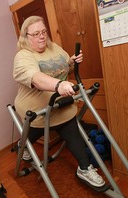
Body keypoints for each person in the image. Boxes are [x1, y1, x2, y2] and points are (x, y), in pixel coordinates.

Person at [13, 15, 105, 188]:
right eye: (36, 34)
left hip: (60, 105)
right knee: (32, 133)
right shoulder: (23, 57)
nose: (42, 36)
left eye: (44, 32)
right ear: (26, 37)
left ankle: (84, 168)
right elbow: (36, 78)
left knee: (72, 132)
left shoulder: (53, 47)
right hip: (36, 111)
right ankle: (23, 145)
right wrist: (59, 85)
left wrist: (71, 61)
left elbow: (63, 68)